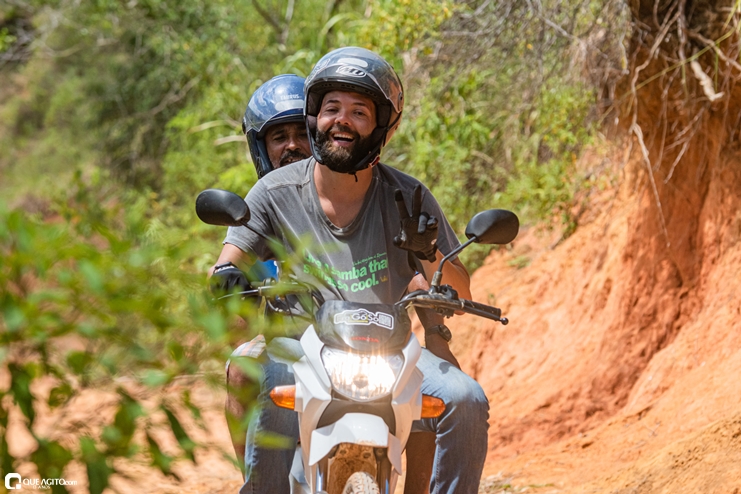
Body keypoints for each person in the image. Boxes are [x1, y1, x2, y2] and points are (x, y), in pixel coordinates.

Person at [210, 47, 488, 494]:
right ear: (315, 117)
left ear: (382, 128)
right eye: (331, 108)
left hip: (390, 353)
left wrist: (430, 250)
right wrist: (226, 276)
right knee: (264, 374)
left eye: (359, 112)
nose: (341, 120)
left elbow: (459, 289)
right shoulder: (273, 192)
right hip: (300, 349)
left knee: (466, 398)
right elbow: (230, 260)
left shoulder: (409, 196)